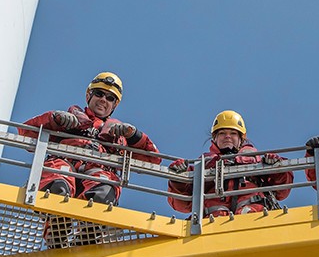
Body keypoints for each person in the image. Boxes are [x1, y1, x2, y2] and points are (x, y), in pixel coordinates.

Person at [19, 71, 159, 247]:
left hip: (99, 173)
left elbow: (152, 159)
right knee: (58, 187)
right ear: (89, 95)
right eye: (99, 94)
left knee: (102, 194)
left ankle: (87, 237)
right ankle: (56, 231)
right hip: (64, 164)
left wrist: (133, 135)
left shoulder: (119, 135)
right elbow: (25, 133)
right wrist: (53, 120)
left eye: (110, 98)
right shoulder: (67, 122)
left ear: (114, 105)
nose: (103, 100)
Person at [167, 110, 291, 218]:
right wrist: (179, 179)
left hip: (254, 217)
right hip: (213, 223)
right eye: (222, 133)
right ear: (214, 138)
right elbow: (182, 204)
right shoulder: (204, 164)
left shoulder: (256, 159)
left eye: (233, 133)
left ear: (241, 139)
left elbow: (281, 191)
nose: (227, 137)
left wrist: (276, 167)